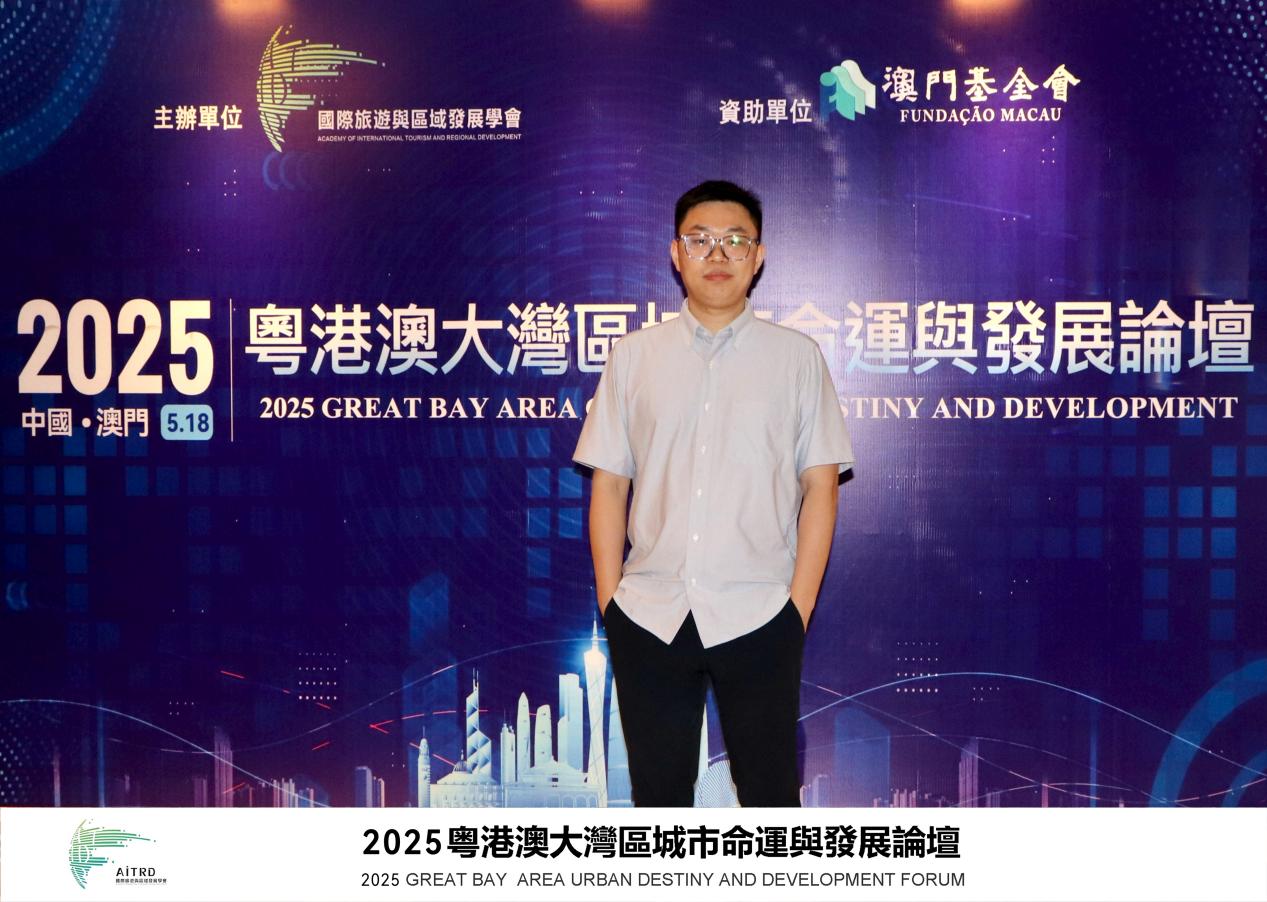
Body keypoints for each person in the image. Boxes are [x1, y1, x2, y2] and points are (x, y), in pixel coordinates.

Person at [572, 180, 853, 807]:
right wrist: (612, 603)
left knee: (771, 798)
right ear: (676, 253)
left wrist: (796, 611)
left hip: (760, 612)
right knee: (658, 801)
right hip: (650, 613)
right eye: (700, 240)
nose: (718, 254)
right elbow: (610, 484)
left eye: (735, 240)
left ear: (759, 256)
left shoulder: (797, 358)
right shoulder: (634, 357)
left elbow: (821, 487)